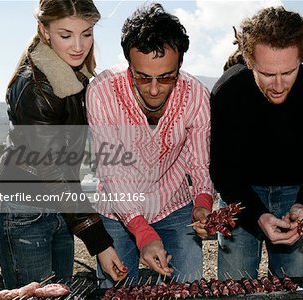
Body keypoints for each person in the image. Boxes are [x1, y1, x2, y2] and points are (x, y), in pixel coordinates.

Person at [0, 0, 126, 289]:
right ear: (44, 30)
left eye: (87, 33)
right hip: (24, 208)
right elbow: (53, 170)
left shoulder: (76, 76)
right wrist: (99, 242)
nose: (79, 45)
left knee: (61, 292)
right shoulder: (37, 87)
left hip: (61, 205)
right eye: (66, 35)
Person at [86, 2, 215, 287]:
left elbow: (199, 161)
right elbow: (112, 171)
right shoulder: (101, 91)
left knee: (186, 288)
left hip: (174, 206)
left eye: (166, 77)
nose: (154, 89)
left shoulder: (196, 95)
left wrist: (203, 203)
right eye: (143, 77)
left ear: (180, 65)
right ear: (128, 65)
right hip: (116, 213)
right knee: (117, 290)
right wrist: (142, 231)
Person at [210, 6, 303, 279]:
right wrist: (257, 213)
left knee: (298, 286)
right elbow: (224, 170)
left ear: (301, 59)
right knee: (235, 287)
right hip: (241, 195)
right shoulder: (228, 92)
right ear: (249, 61)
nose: (280, 85)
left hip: (296, 193)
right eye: (268, 74)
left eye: (289, 72)